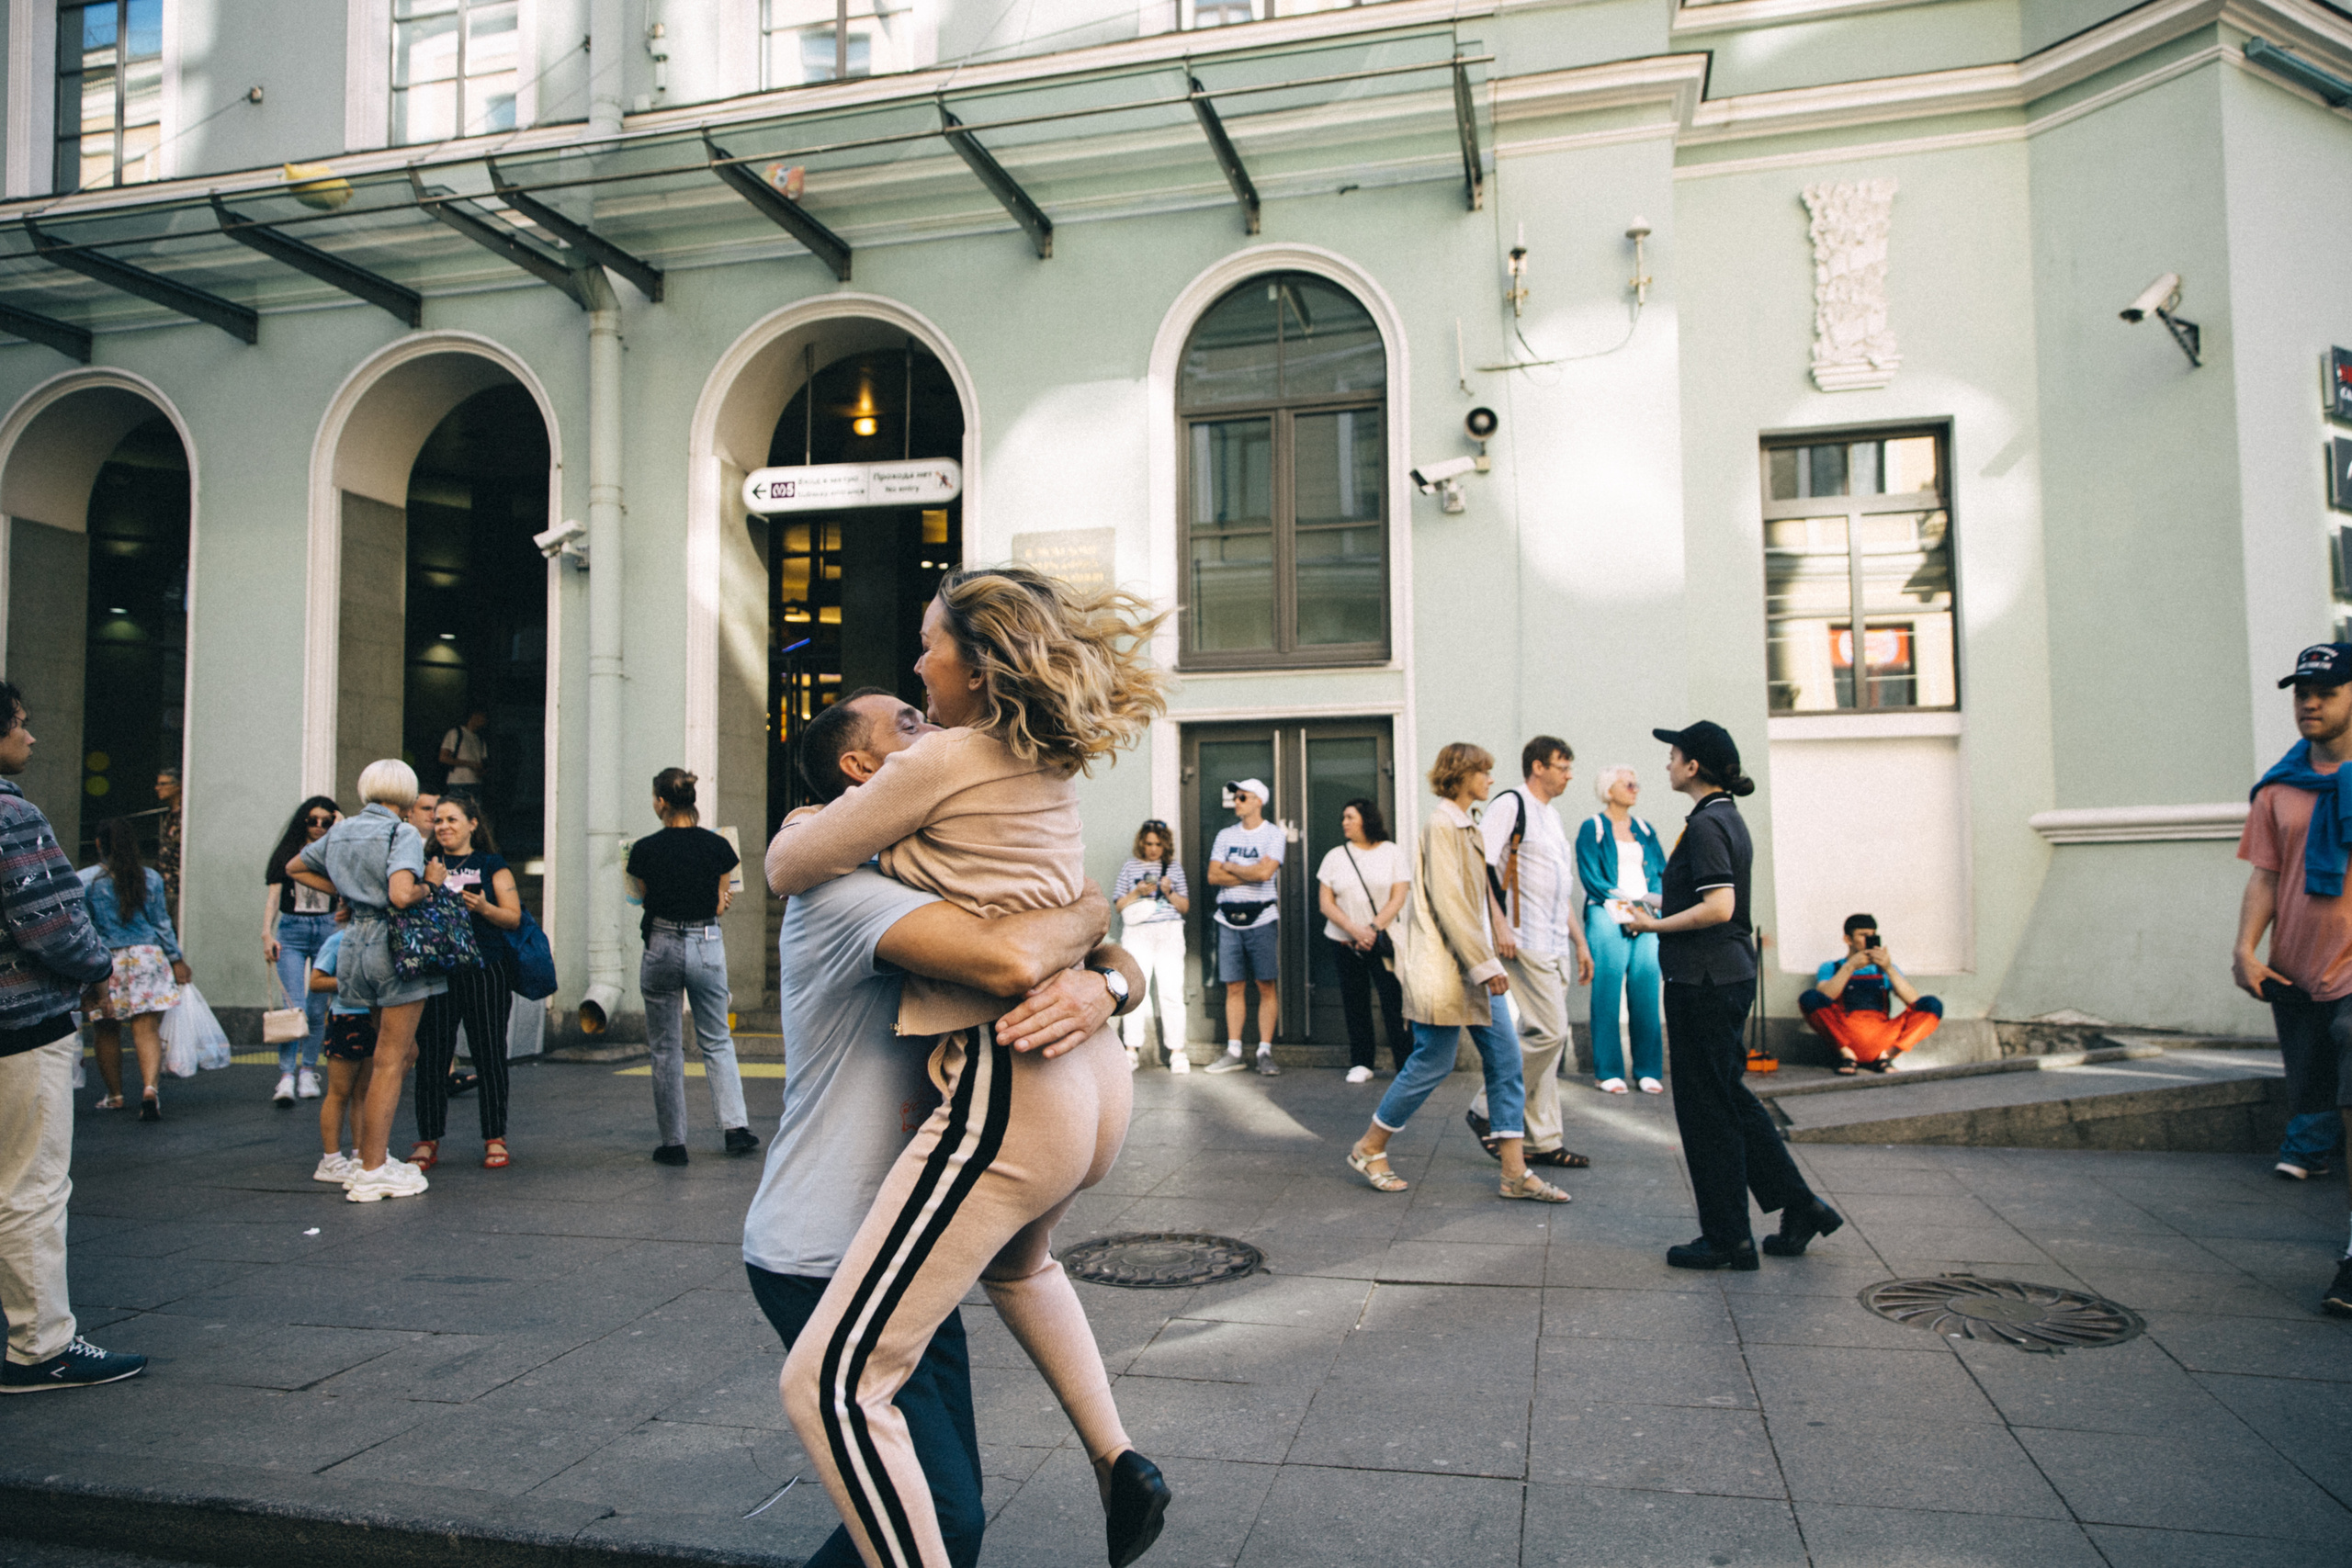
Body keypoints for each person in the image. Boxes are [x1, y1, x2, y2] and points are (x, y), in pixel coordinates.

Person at [764, 566, 1174, 1568]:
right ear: (858, 775)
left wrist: (1099, 963)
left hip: (1006, 1098)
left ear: (978, 663)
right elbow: (1039, 932)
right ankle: (1117, 1457)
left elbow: (1004, 953)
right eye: (898, 723)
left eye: (927, 655)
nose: (917, 675)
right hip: (1077, 1093)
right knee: (1017, 1275)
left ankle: (1112, 1458)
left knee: (840, 1396)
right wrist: (1096, 936)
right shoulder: (1029, 768)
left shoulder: (937, 771)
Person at [1625, 722, 1840, 1270]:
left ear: (1694, 766)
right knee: (1729, 1099)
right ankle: (1801, 1206)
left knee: (1706, 1112)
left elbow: (1719, 906)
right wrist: (1655, 896)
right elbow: (1710, 894)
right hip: (1723, 976)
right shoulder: (1722, 817)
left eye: (1673, 755)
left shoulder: (1705, 824)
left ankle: (1728, 1239)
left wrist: (1653, 928)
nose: (1667, 764)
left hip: (1704, 981)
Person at [1344, 743, 1571, 1205]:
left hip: (1470, 968)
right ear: (1462, 775)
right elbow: (1450, 904)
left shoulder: (1464, 824)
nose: (1490, 779)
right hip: (1446, 970)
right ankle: (1369, 1148)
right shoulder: (1443, 824)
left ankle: (1514, 1172)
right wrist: (1486, 966)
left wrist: (1485, 958)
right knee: (1432, 1061)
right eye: (1483, 772)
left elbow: (1476, 901)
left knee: (1507, 1061)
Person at [0, 680, 145, 1393]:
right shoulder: (10, 814)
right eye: (21, 724)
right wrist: (96, 966)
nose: (30, 737)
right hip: (21, 1021)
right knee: (31, 1182)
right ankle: (41, 1344)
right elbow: (46, 917)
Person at [2231, 641, 2352, 1316]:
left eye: (2326, 689)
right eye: (2301, 690)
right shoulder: (2279, 786)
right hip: (2298, 971)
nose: (2309, 701)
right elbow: (2267, 874)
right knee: (2318, 1093)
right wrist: (2246, 949)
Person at [286, 759, 445, 1204]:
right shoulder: (403, 832)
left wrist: (346, 890)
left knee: (394, 1052)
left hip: (353, 945)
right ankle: (373, 1165)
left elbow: (294, 867)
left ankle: (368, 1157)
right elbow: (400, 894)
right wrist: (429, 885)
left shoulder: (341, 830)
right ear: (407, 794)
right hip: (393, 946)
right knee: (391, 1059)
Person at [1466, 738, 1594, 1167]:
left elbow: (1558, 889)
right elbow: (1478, 862)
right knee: (1551, 1032)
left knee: (1549, 1041)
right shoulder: (1510, 804)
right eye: (1562, 765)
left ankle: (1543, 1139)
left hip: (1554, 939)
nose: (1569, 774)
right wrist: (1498, 921)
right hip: (1524, 939)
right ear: (1538, 767)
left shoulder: (1552, 816)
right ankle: (1486, 1106)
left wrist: (1579, 942)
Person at [627, 768, 757, 1167]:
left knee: (666, 1048)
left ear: (662, 802)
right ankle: (735, 1129)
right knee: (716, 1038)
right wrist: (713, 902)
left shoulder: (644, 850)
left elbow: (642, 898)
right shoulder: (717, 846)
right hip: (705, 943)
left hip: (663, 945)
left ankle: (673, 1143)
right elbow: (719, 903)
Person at [412, 794, 523, 1172]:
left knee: (489, 1052)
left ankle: (495, 1136)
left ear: (473, 824)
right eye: (437, 820)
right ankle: (428, 1138)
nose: (442, 826)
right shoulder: (426, 865)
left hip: (485, 968)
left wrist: (484, 908)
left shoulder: (491, 865)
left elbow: (513, 917)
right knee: (432, 1057)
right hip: (438, 972)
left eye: (452, 819)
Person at [84, 818, 190, 1124]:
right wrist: (176, 958)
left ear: (99, 845)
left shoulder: (86, 881)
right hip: (148, 956)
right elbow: (161, 923)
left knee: (106, 1027)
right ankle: (149, 1089)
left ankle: (115, 1095)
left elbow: (86, 927)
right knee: (146, 1028)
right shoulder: (151, 878)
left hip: (107, 961)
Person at [1577, 764, 1666, 1093]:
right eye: (1628, 783)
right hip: (1606, 911)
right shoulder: (1593, 827)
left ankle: (1647, 1069)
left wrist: (1650, 904)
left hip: (1645, 912)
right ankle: (1608, 1070)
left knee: (1646, 987)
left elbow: (1660, 870)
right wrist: (1625, 905)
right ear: (1609, 789)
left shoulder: (1645, 828)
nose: (1635, 788)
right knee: (1607, 988)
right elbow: (1591, 877)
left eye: (1636, 783)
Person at [1315, 796, 1408, 1084]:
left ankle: (1405, 1064)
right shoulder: (1335, 856)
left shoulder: (1391, 852)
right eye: (1343, 818)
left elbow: (1399, 897)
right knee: (1355, 1001)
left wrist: (1372, 929)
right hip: (1345, 941)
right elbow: (1326, 903)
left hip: (1383, 942)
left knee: (1395, 1002)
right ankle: (1362, 1062)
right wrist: (1355, 930)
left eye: (1350, 817)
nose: (1344, 823)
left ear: (1367, 820)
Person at [262, 795, 341, 1106]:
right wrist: (266, 933)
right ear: (302, 822)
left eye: (326, 821)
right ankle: (286, 1076)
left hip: (327, 928)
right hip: (292, 930)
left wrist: (343, 825)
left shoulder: (336, 852)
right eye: (313, 820)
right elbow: (273, 897)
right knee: (292, 1005)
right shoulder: (288, 854)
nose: (319, 826)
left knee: (317, 1007)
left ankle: (308, 1070)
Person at [1204, 778, 1283, 1076]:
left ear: (1258, 801)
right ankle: (1234, 1049)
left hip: (1262, 918)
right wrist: (1250, 872)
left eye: (1242, 797)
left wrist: (1232, 867)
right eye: (1236, 797)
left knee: (1266, 985)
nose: (1236, 802)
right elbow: (1213, 875)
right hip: (1227, 918)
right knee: (1233, 986)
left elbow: (1266, 873)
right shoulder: (1225, 835)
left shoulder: (1273, 834)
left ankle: (1265, 1051)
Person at [1802, 915, 1945, 1074]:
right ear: (1848, 939)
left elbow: (1914, 1002)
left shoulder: (1886, 968)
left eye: (1872, 936)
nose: (1869, 940)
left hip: (1883, 1036)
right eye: (1863, 935)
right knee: (1809, 997)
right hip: (1846, 1036)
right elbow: (1824, 998)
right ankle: (1847, 1055)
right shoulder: (1832, 967)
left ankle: (1886, 1057)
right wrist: (1850, 967)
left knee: (1932, 1004)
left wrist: (1888, 968)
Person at [1113, 820, 1191, 1073]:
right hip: (1138, 933)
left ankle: (1177, 1051)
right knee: (1136, 990)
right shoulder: (1130, 866)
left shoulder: (1174, 868)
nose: (1153, 849)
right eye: (1149, 844)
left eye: (1158, 844)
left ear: (1165, 845)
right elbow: (1119, 904)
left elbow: (1185, 907)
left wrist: (1168, 892)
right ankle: (1130, 1050)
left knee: (1171, 990)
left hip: (1168, 930)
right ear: (1141, 844)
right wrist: (1137, 892)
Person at [307, 909, 379, 1185]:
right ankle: (331, 1158)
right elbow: (316, 981)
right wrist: (352, 984)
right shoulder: (339, 941)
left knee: (364, 1093)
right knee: (339, 1092)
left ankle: (360, 1154)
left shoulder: (377, 941)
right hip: (345, 1018)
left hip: (371, 1018)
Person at [153, 765, 182, 925]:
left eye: (163, 784)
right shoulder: (168, 817)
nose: (158, 788)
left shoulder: (186, 816)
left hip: (179, 889)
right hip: (166, 888)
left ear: (177, 786)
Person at [439, 710, 488, 791]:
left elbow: (483, 763)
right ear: (473, 716)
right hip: (458, 782)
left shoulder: (480, 739)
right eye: (483, 717)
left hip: (476, 783)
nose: (485, 720)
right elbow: (443, 758)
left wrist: (482, 771)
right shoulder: (456, 733)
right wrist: (470, 764)